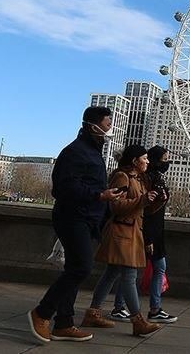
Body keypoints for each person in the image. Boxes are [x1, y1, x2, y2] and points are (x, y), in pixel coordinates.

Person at [28, 106, 123, 343]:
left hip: (87, 218)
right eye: (107, 124)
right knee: (81, 267)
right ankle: (41, 313)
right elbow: (63, 188)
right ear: (92, 126)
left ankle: (64, 324)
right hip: (72, 217)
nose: (109, 129)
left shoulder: (92, 152)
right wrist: (99, 196)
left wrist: (104, 197)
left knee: (73, 268)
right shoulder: (75, 152)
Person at [81, 144, 162, 336]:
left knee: (111, 273)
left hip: (131, 231)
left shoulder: (139, 179)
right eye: (144, 158)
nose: (148, 161)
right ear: (135, 161)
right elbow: (116, 205)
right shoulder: (122, 177)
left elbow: (141, 207)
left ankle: (93, 312)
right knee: (129, 276)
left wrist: (157, 201)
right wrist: (143, 199)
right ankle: (138, 320)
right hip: (122, 232)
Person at [109, 146, 177, 324]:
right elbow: (125, 207)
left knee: (119, 272)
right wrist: (148, 237)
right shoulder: (136, 178)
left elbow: (149, 207)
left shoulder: (147, 177)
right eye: (164, 159)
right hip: (139, 231)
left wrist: (158, 201)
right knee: (131, 272)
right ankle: (142, 313)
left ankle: (108, 308)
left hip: (146, 231)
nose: (167, 162)